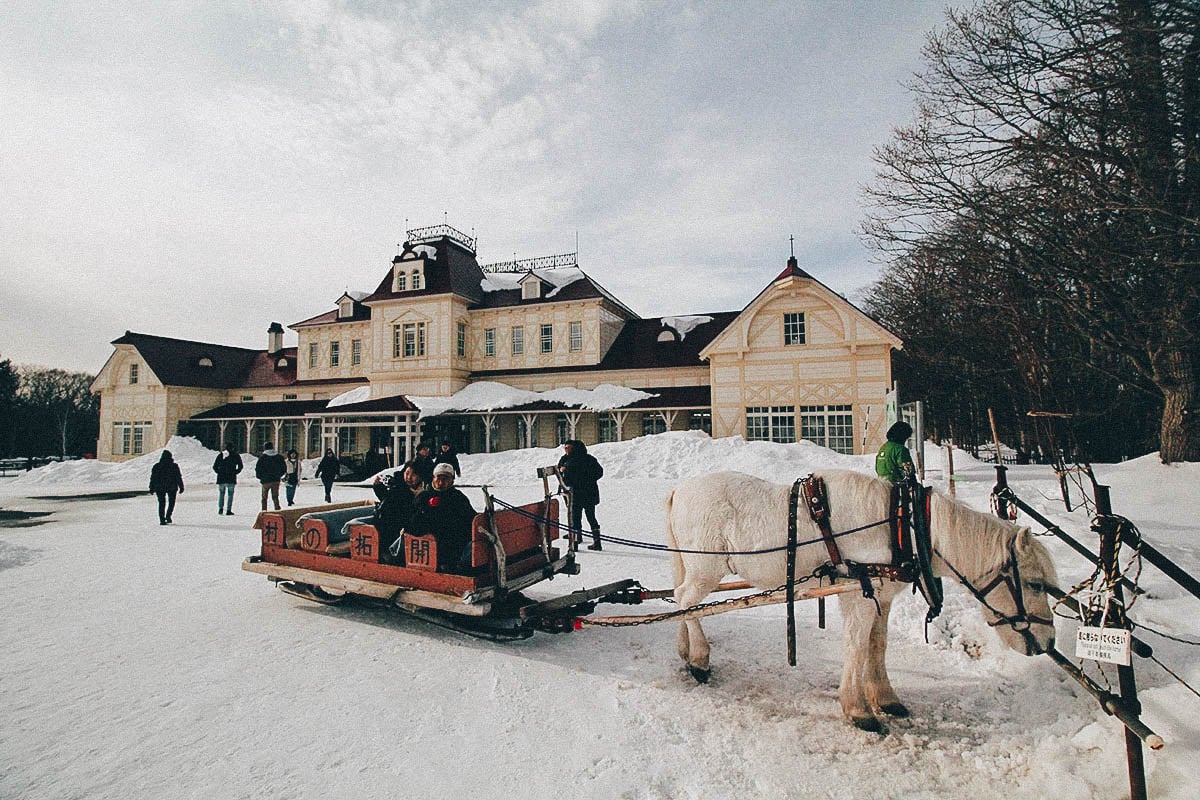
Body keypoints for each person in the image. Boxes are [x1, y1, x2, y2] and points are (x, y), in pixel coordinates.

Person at [405, 461, 477, 572]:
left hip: (454, 544)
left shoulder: (458, 497)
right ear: (433, 478)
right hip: (429, 545)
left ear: (452, 480)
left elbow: (470, 520)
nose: (441, 482)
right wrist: (426, 509)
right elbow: (412, 525)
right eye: (438, 477)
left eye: (446, 478)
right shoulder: (424, 497)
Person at [374, 460, 427, 563]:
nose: (409, 477)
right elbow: (388, 503)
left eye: (414, 474)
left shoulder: (425, 490)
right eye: (407, 473)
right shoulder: (399, 489)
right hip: (391, 527)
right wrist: (378, 486)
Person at [557, 439, 604, 551]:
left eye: (569, 448)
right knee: (583, 517)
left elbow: (598, 472)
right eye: (565, 448)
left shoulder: (579, 460)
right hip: (586, 492)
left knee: (579, 518)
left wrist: (582, 478)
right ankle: (582, 539)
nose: (566, 451)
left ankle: (577, 543)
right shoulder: (568, 459)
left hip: (579, 493)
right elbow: (560, 469)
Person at [149, 449, 185, 525]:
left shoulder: (157, 466)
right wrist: (181, 486)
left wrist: (151, 487)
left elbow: (153, 478)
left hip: (159, 487)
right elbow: (178, 477)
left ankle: (162, 519)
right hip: (171, 486)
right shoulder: (174, 466)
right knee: (171, 502)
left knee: (161, 503)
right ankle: (168, 516)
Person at [212, 444, 243, 515]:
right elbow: (240, 466)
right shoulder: (236, 456)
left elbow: (214, 466)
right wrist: (235, 472)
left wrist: (219, 472)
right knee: (230, 494)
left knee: (221, 494)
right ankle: (228, 510)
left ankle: (220, 509)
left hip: (221, 478)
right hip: (231, 478)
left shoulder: (221, 455)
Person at [255, 442, 287, 511]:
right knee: (275, 497)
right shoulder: (279, 457)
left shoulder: (262, 458)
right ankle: (277, 509)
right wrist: (279, 475)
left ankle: (264, 510)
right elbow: (284, 468)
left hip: (265, 480)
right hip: (276, 479)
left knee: (264, 498)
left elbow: (258, 468)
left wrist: (260, 477)